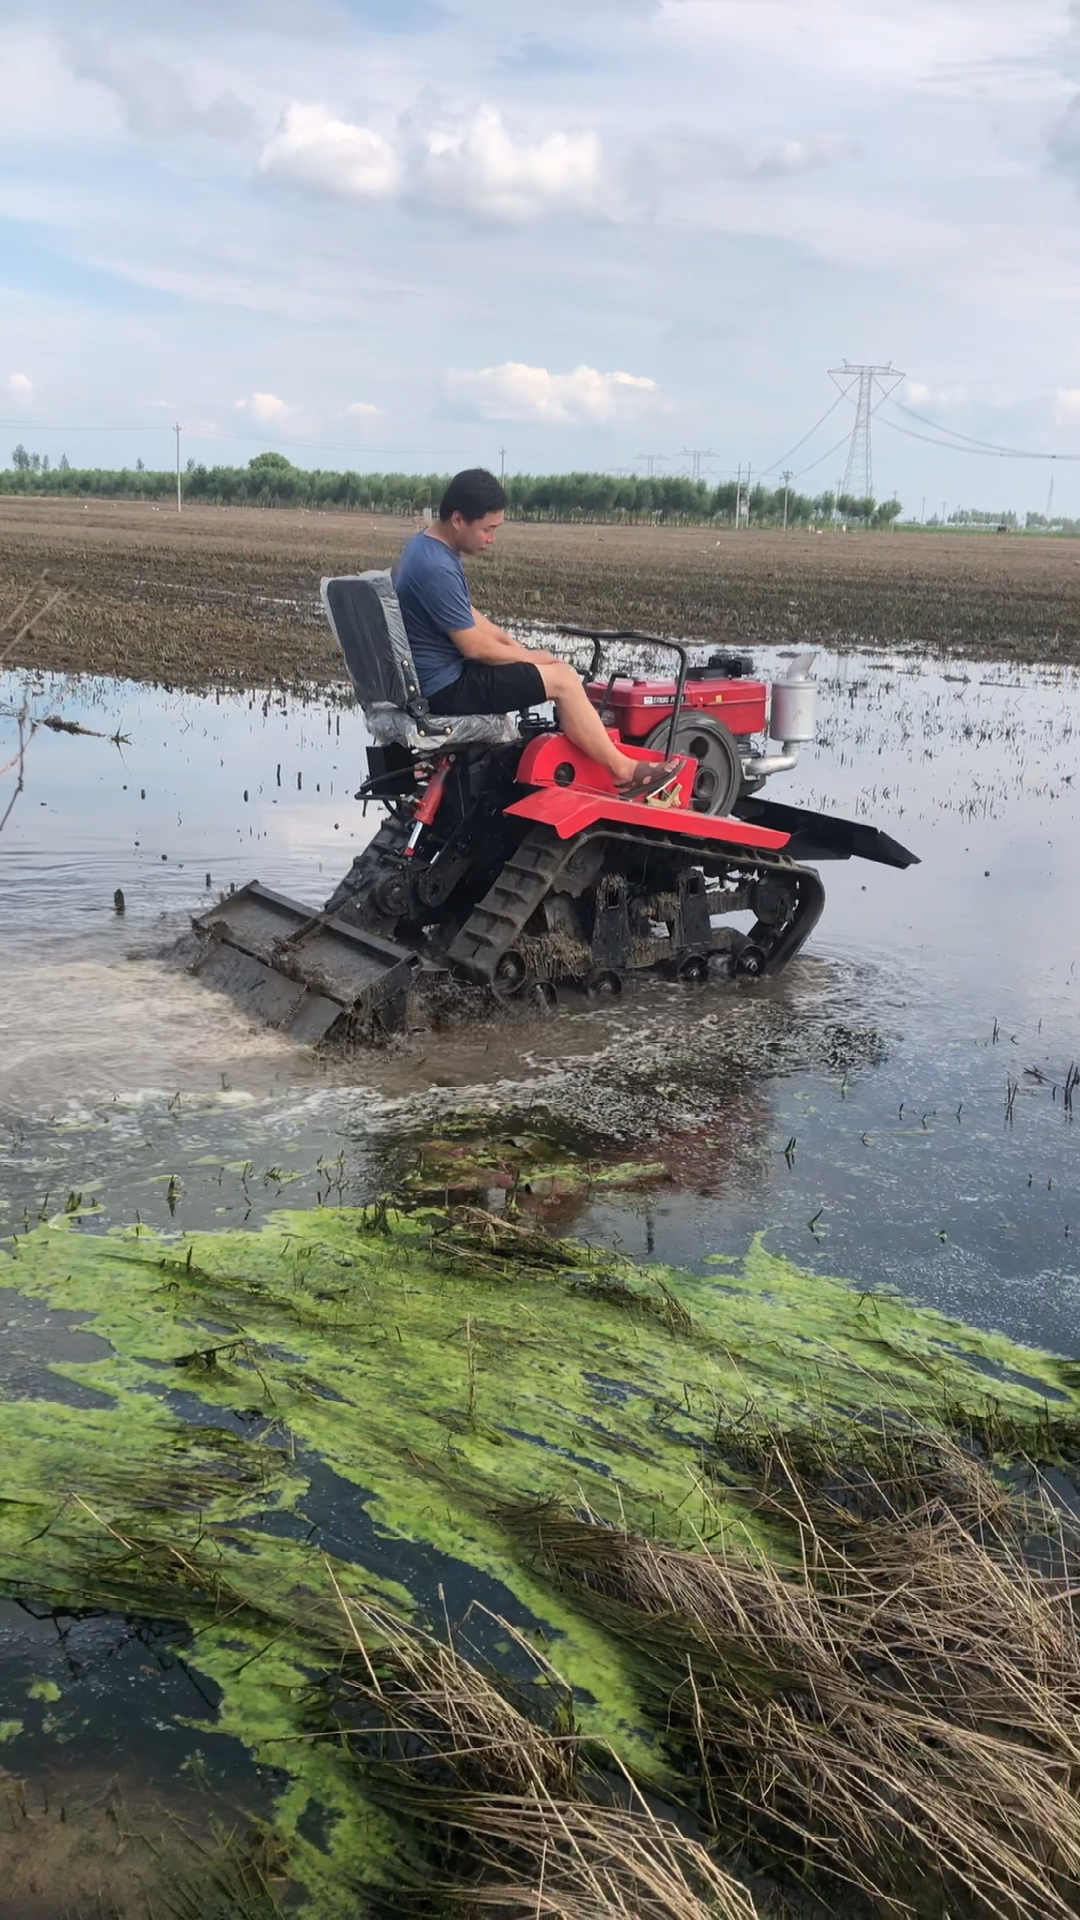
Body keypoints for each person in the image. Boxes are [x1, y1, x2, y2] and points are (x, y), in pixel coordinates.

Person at [393, 468, 684, 801]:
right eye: (488, 529)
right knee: (562, 679)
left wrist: (513, 646)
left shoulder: (425, 548)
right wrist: (533, 658)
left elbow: (470, 618)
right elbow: (473, 647)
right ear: (458, 518)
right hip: (446, 688)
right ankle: (625, 772)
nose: (492, 538)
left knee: (549, 671)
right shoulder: (437, 567)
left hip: (436, 679)